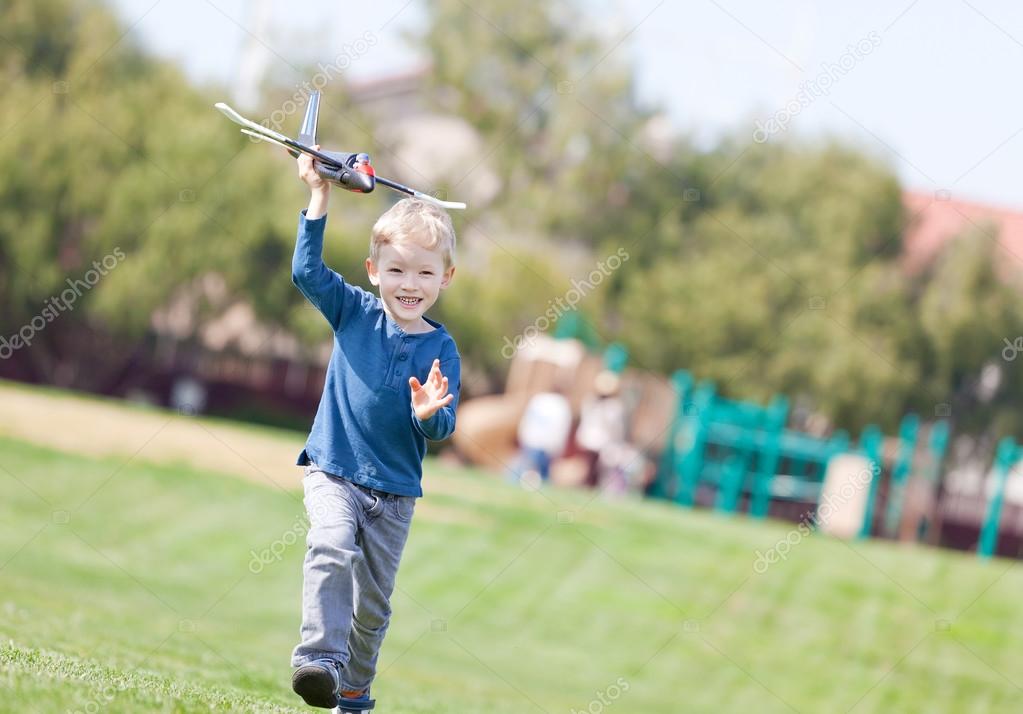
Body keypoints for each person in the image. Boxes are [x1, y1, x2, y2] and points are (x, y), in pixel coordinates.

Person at [288, 148, 460, 709]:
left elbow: (443, 429)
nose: (409, 284)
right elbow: (306, 272)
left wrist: (429, 415)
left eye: (424, 273)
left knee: (374, 607)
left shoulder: (441, 348)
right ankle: (318, 660)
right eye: (397, 270)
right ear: (374, 271)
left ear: (446, 277)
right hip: (333, 471)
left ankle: (356, 688)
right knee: (329, 545)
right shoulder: (353, 312)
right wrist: (319, 195)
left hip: (394, 494)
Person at [575, 370, 627, 489]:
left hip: (595, 441)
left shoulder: (593, 402)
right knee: (592, 469)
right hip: (599, 442)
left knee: (593, 469)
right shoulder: (612, 407)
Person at [514, 385, 572, 487]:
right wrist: (558, 446)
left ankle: (520, 483)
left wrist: (523, 434)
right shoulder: (561, 405)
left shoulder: (539, 400)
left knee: (527, 465)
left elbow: (528, 418)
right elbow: (561, 428)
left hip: (531, 438)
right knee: (539, 469)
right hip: (546, 443)